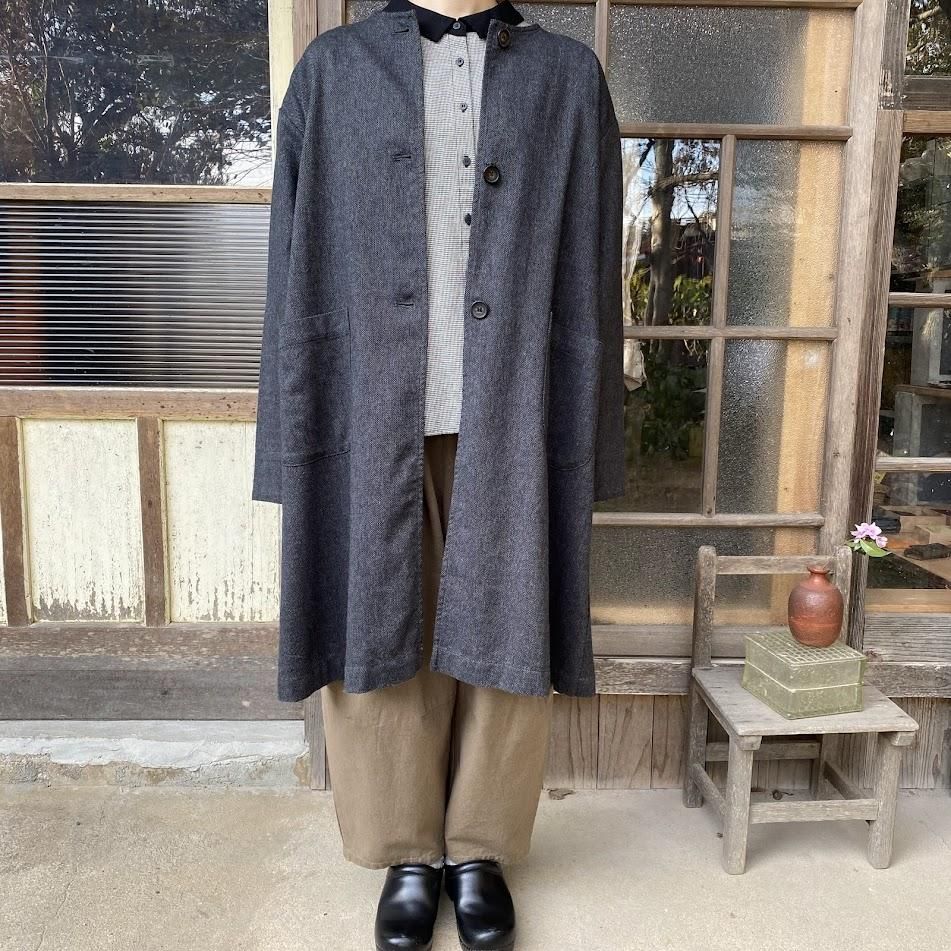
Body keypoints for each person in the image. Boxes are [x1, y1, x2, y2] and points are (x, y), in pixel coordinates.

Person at [251, 1, 625, 948]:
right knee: (380, 621)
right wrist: (290, 431)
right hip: (372, 403)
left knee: (510, 620)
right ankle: (405, 850)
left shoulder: (566, 79)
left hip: (515, 402)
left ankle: (479, 850)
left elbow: (592, 265)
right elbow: (291, 261)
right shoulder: (332, 71)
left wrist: (589, 426)